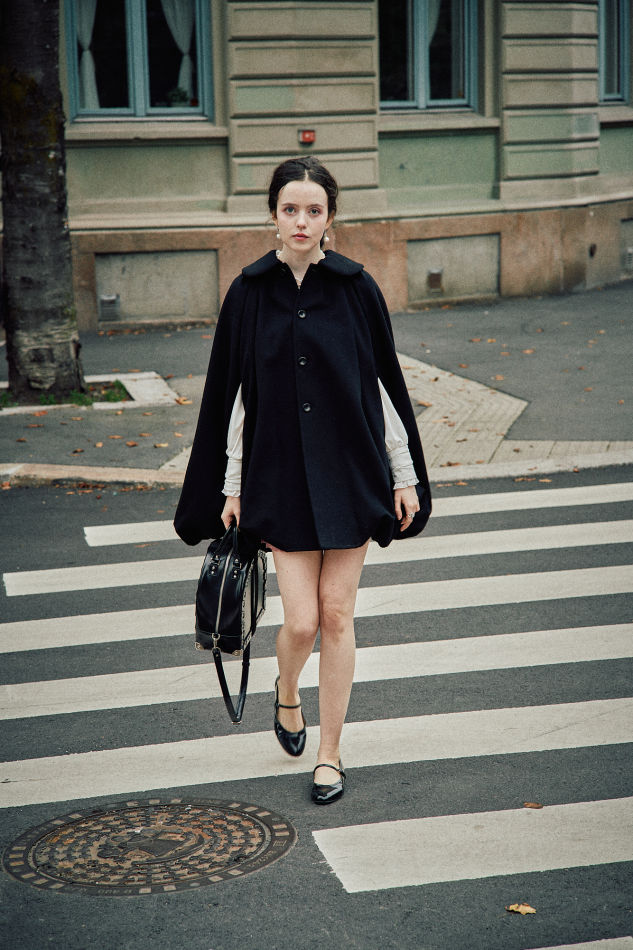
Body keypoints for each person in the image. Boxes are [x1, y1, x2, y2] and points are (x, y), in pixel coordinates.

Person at [175, 156, 431, 804]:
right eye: (290, 208)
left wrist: (403, 476)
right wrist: (232, 488)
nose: (301, 221)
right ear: (273, 214)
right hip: (280, 478)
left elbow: (382, 391)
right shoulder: (248, 294)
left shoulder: (355, 289)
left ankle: (329, 754)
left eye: (313, 210)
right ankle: (286, 691)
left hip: (351, 473)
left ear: (329, 218)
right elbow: (234, 403)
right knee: (299, 622)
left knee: (337, 616)